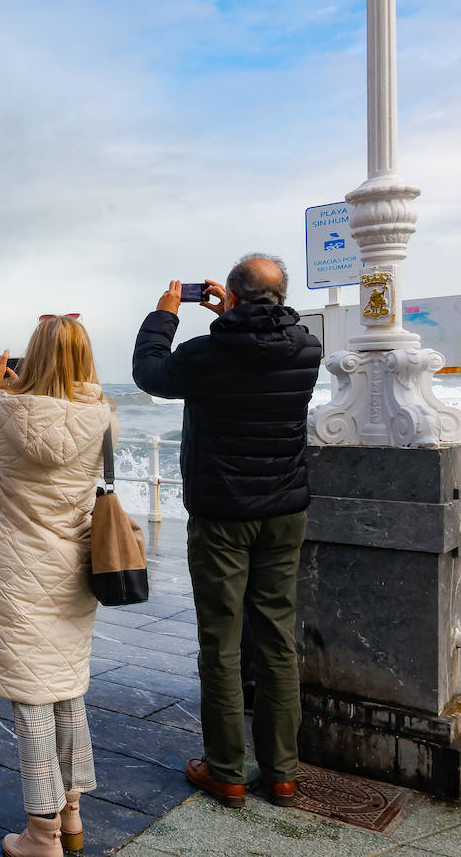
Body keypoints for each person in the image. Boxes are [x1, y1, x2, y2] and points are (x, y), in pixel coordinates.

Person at [131, 254, 320, 809]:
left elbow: (150, 374)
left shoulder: (205, 354)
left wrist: (166, 313)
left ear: (232, 296)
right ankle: (282, 773)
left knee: (220, 640)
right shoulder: (307, 349)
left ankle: (227, 773)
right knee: (277, 637)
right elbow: (265, 344)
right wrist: (237, 310)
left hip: (222, 514)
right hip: (284, 510)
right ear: (281, 295)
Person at [0, 314, 113, 856]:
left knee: (31, 701)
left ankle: (40, 836)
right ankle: (71, 817)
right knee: (66, 689)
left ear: (32, 357)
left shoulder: (5, 409)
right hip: (73, 571)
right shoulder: (102, 415)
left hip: (17, 573)